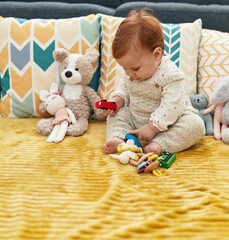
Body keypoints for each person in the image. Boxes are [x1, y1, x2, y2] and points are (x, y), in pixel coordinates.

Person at [103, 9, 205, 155]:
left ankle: (159, 144)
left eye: (135, 68)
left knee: (195, 125)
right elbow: (124, 90)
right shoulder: (131, 73)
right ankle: (119, 140)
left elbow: (172, 106)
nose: (128, 73)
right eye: (124, 68)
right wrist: (116, 101)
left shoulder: (171, 75)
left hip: (169, 123)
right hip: (136, 117)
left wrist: (152, 127)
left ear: (157, 55)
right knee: (117, 115)